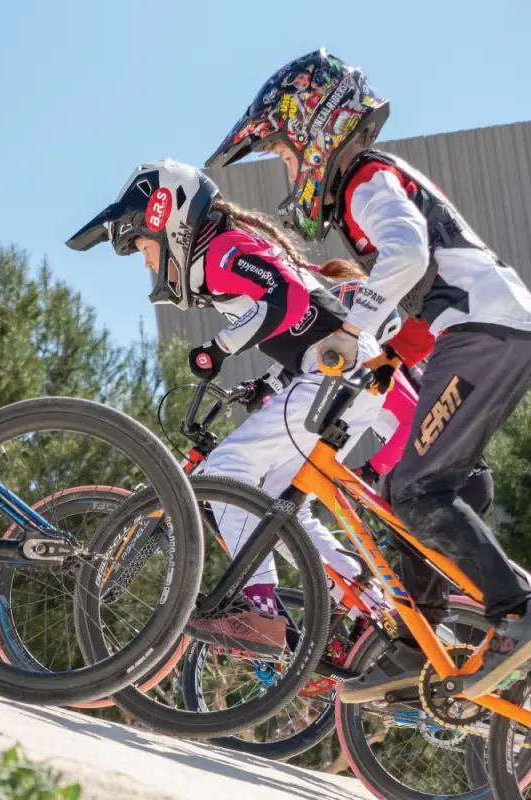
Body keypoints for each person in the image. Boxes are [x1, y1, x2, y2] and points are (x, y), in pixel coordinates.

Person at [206, 49, 531, 701]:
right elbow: (420, 305)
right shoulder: (368, 187)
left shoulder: (366, 179)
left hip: (486, 333)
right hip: (478, 332)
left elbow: (408, 254)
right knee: (410, 490)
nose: (288, 167)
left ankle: (517, 613)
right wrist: (371, 361)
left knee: (415, 488)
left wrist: (354, 329)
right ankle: (425, 649)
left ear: (314, 130)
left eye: (284, 151)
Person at [68, 159, 387, 656]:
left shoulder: (222, 250)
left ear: (166, 219)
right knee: (284, 506)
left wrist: (218, 348)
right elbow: (303, 323)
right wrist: (269, 382)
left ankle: (260, 611)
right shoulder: (231, 253)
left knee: (226, 471)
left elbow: (291, 300)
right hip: (348, 371)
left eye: (146, 249)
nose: (150, 265)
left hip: (340, 371)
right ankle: (375, 611)